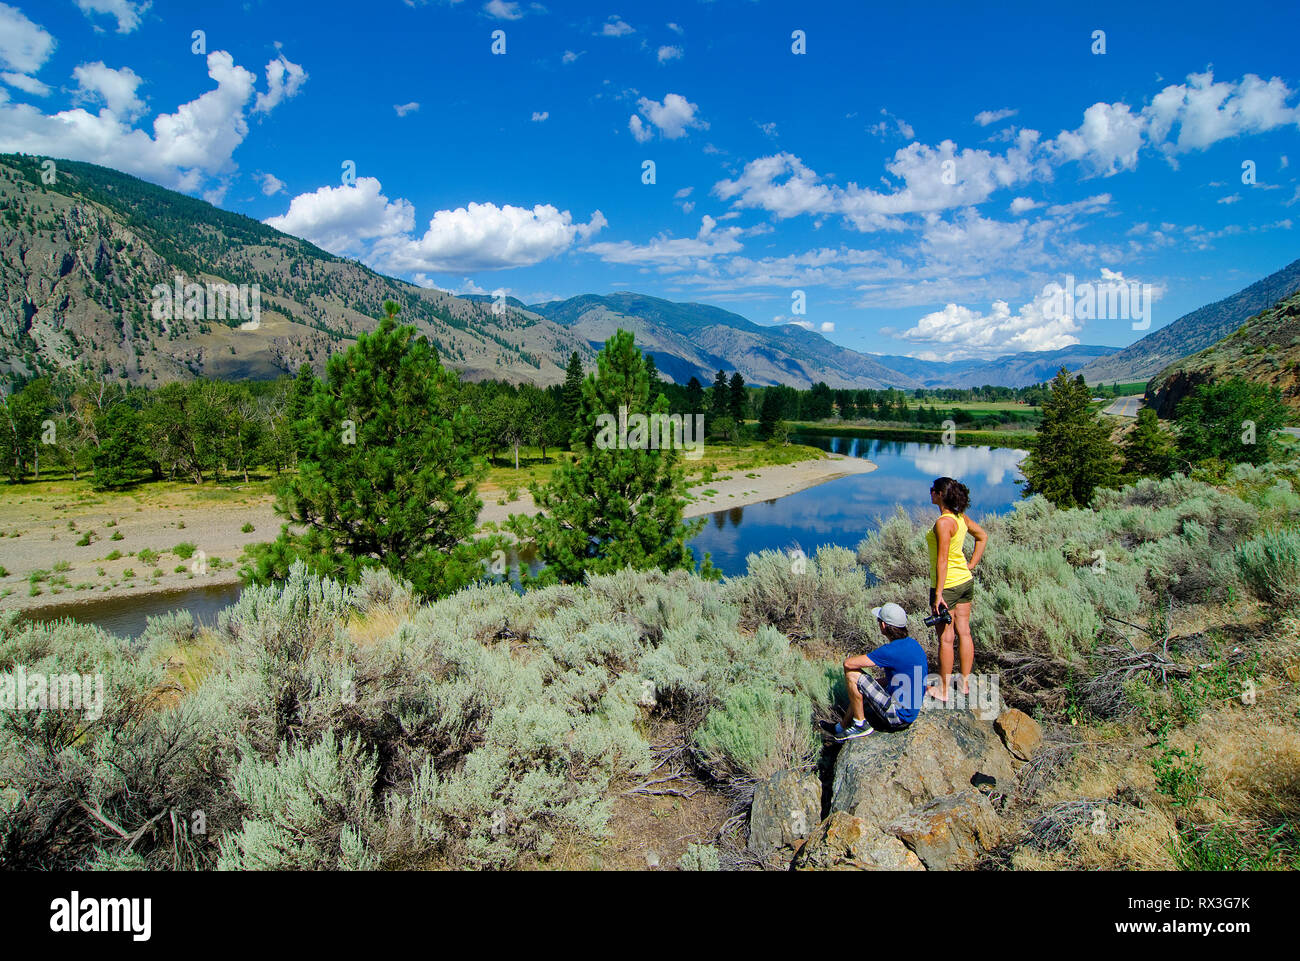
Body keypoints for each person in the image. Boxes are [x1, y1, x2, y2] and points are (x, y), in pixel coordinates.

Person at [823, 602, 928, 741]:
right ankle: (840, 727)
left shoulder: (890, 651)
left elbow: (848, 663)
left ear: (884, 626)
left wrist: (862, 683)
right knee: (863, 685)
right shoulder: (913, 644)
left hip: (898, 716)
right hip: (910, 711)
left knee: (853, 675)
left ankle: (860, 725)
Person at [925, 476, 988, 701]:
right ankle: (965, 684)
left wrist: (938, 594)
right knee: (965, 631)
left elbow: (942, 560)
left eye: (933, 490)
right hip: (965, 582)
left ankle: (943, 690)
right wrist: (970, 565)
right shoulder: (961, 518)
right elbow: (982, 536)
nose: (930, 492)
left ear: (941, 494)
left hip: (948, 586)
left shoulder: (944, 522)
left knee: (946, 638)